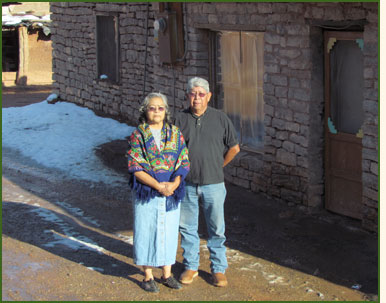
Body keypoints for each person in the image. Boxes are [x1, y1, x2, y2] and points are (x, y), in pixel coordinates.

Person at [174, 77, 240, 287]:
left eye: (201, 94)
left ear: (209, 96)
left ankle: (218, 269)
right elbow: (170, 151)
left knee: (216, 229)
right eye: (193, 93)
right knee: (187, 228)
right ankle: (191, 266)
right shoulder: (179, 119)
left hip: (214, 184)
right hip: (187, 183)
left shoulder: (220, 119)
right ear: (187, 96)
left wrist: (219, 165)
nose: (197, 98)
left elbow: (234, 147)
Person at [127, 92, 190, 293]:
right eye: (152, 108)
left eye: (160, 108)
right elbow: (135, 165)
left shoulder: (175, 133)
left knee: (169, 232)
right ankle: (147, 276)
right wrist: (157, 185)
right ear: (145, 110)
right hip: (148, 192)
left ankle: (166, 273)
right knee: (146, 230)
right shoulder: (138, 135)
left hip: (171, 192)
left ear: (166, 111)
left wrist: (174, 183)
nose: (156, 111)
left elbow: (183, 160)